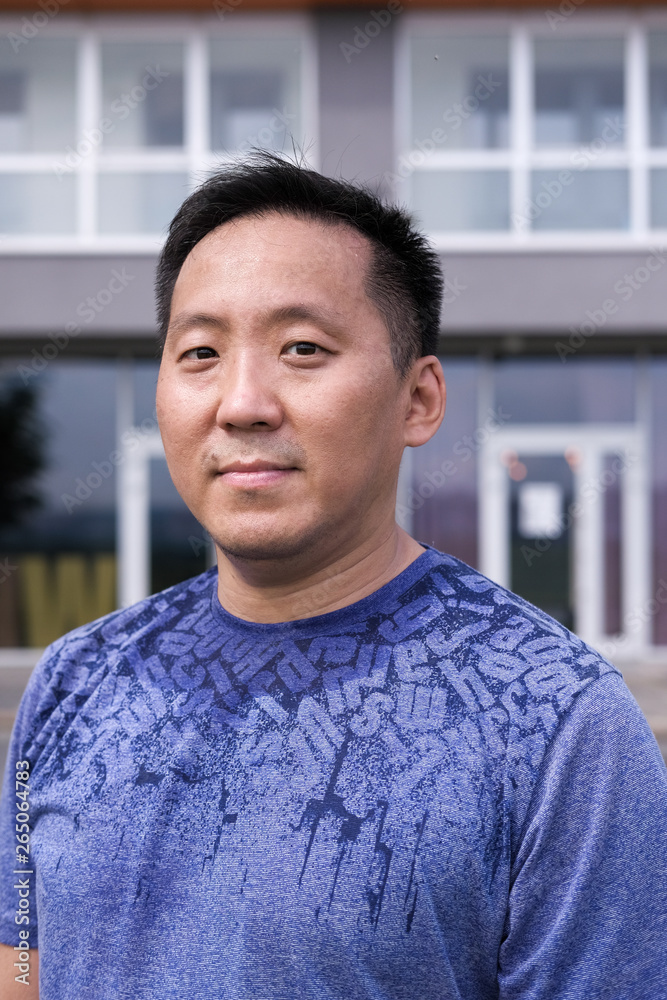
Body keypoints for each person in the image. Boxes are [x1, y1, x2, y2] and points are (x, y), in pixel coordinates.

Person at [1, 152, 666, 1000]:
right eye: (200, 352)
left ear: (418, 400)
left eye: (302, 348)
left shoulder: (558, 723)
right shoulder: (75, 680)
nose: (242, 403)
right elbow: (20, 962)